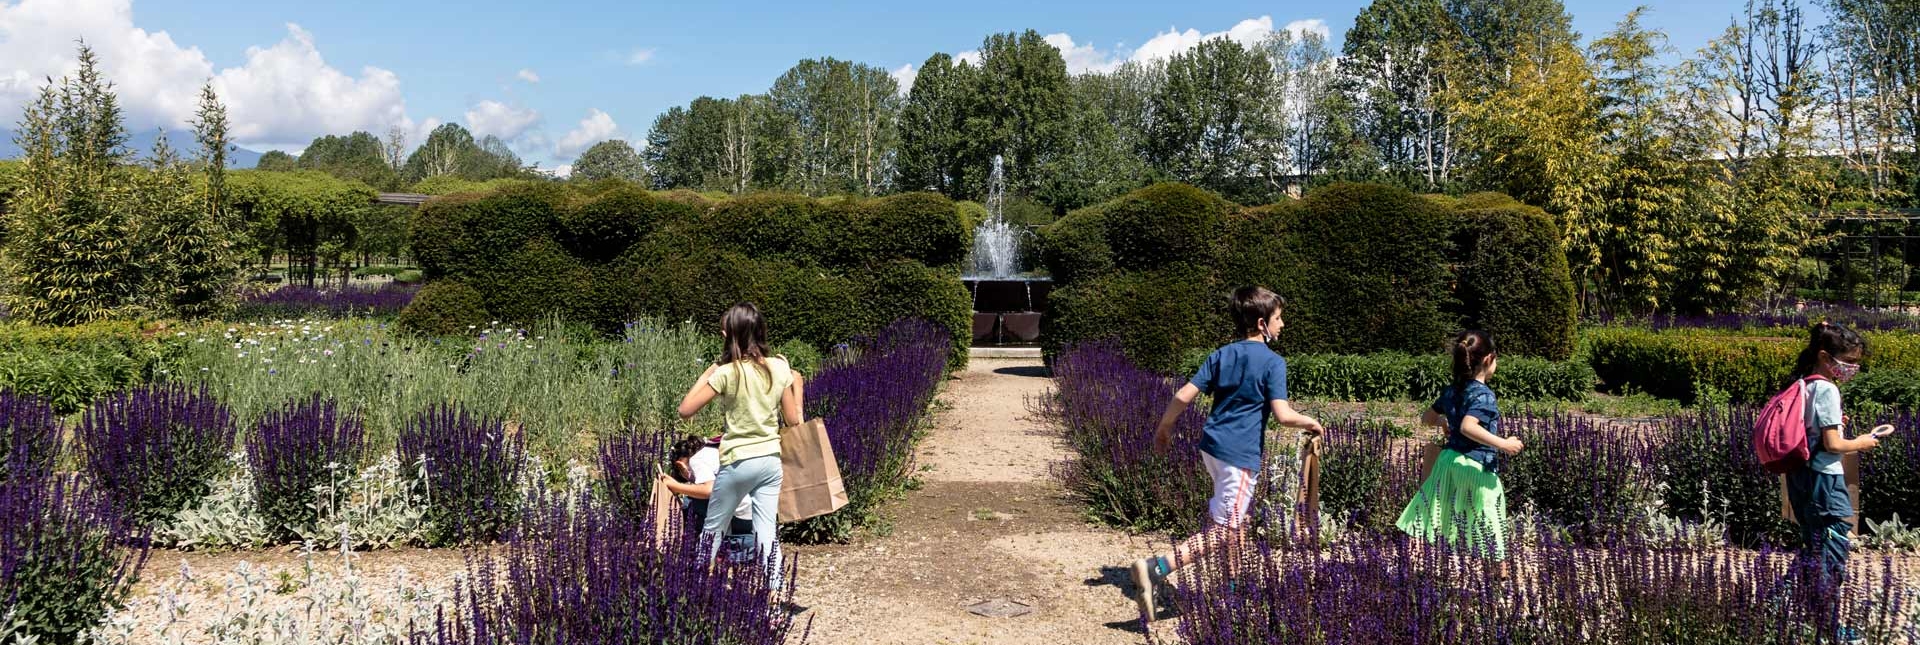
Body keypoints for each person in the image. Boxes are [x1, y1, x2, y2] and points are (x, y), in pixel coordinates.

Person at [1128, 286, 1324, 621]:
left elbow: (1183, 395)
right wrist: (1312, 423)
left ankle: (1232, 589)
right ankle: (1156, 567)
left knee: (1235, 522)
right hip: (1239, 456)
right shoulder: (1273, 363)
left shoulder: (1221, 354)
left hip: (1213, 448)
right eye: (1278, 318)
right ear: (1262, 324)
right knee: (1226, 527)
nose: (1283, 324)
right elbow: (1282, 414)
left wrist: (1164, 428)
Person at [675, 302, 805, 581]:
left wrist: (710, 370)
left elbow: (685, 410)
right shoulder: (778, 368)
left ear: (730, 336)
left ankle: (697, 587)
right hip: (771, 461)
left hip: (737, 462)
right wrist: (799, 387)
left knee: (713, 528)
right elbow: (794, 421)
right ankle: (775, 595)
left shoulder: (726, 373)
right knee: (767, 531)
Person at [1783, 322, 1878, 642]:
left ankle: (1799, 618)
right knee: (1832, 552)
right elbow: (1834, 445)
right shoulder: (1826, 388)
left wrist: (1835, 424)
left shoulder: (1803, 384)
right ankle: (1827, 629)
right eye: (1848, 361)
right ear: (1825, 357)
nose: (1853, 368)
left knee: (1814, 547)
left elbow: (1816, 432)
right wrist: (1862, 442)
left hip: (1802, 478)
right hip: (1824, 480)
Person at [1395, 330, 1520, 566]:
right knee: (1489, 513)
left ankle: (1410, 565)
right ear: (1488, 359)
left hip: (1449, 461)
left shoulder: (1452, 390)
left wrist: (1443, 422)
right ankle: (1500, 571)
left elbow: (1427, 418)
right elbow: (1467, 427)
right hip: (1476, 466)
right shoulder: (1484, 396)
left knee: (1432, 511)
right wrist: (1504, 444)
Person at [658, 435, 757, 558]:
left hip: (738, 516)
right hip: (751, 514)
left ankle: (721, 548)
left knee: (691, 503)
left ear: (680, 465)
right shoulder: (711, 451)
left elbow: (709, 490)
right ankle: (745, 544)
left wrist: (677, 486)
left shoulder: (696, 460)